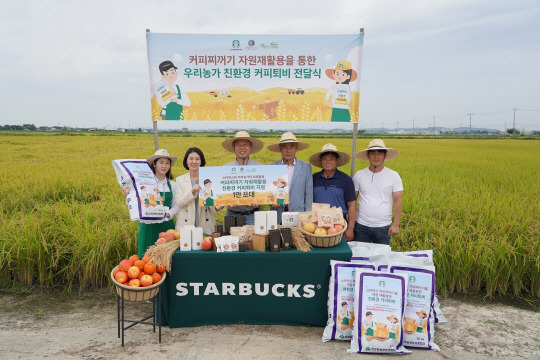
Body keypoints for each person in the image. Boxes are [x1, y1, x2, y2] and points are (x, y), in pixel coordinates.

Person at [123, 149, 179, 258]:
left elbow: (176, 205)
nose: (164, 166)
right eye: (161, 162)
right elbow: (135, 202)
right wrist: (128, 194)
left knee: (166, 258)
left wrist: (168, 214)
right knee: (146, 258)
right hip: (148, 226)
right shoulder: (144, 183)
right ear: (154, 164)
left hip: (167, 226)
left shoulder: (172, 184)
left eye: (167, 163)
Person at [353, 139, 403, 245]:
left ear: (385, 155)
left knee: (381, 258)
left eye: (380, 153)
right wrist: (351, 225)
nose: (376, 156)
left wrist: (396, 224)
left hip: (383, 227)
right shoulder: (359, 175)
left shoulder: (393, 176)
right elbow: (352, 201)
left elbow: (398, 201)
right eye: (372, 153)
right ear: (368, 155)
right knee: (361, 257)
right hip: (361, 226)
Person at [309, 143, 355, 241]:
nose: (328, 162)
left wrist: (350, 229)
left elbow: (351, 205)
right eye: (325, 159)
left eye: (331, 159)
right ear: (321, 161)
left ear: (336, 161)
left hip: (338, 225)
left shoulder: (346, 180)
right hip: (317, 226)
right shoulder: (313, 178)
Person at [174, 147, 223, 235]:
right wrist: (192, 192)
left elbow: (210, 201)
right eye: (191, 159)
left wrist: (216, 207)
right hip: (186, 224)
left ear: (201, 161)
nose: (194, 162)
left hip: (205, 223)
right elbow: (179, 203)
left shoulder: (208, 179)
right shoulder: (180, 180)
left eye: (197, 159)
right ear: (186, 161)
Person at [267, 132, 313, 223]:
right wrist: (272, 201)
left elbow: (309, 195)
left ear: (296, 148)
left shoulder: (305, 167)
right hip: (277, 215)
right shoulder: (271, 167)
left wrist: (308, 217)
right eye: (285, 147)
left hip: (298, 214)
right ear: (280, 149)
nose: (288, 151)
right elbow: (268, 192)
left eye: (291, 147)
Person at [221, 131, 263, 225]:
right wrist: (228, 200)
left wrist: (259, 200)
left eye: (245, 145)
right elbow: (221, 193)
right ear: (233, 148)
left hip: (253, 216)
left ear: (250, 147)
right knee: (231, 239)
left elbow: (265, 190)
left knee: (255, 239)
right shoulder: (225, 169)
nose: (242, 148)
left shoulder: (260, 168)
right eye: (239, 145)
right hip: (231, 216)